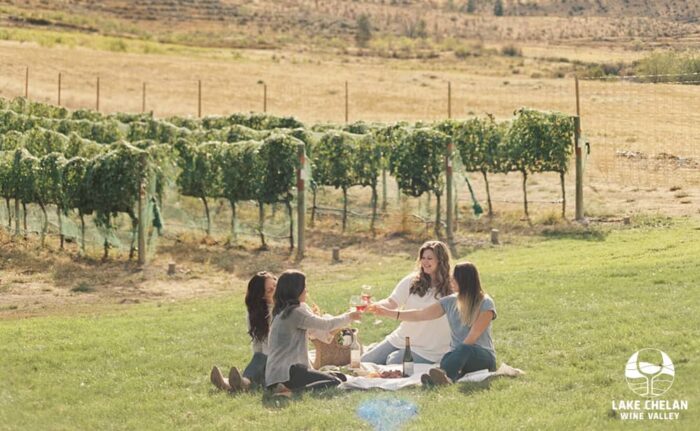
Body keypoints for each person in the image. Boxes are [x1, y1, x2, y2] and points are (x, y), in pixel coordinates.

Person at [368, 262, 497, 385]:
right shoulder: (449, 301)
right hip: (456, 357)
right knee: (451, 355)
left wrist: (454, 357)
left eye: (454, 279)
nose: (451, 281)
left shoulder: (485, 303)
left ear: (463, 281)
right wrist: (388, 312)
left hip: (482, 357)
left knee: (463, 349)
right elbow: (421, 314)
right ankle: (442, 377)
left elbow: (473, 336)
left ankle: (445, 377)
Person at [265, 270, 362, 395]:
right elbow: (327, 325)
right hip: (286, 373)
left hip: (282, 372)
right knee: (335, 382)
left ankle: (287, 388)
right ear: (296, 290)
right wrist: (350, 316)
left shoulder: (285, 310)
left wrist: (318, 318)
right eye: (304, 287)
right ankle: (289, 392)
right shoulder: (295, 312)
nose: (306, 291)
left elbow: (316, 332)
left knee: (340, 376)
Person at [360, 240, 452, 365]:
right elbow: (392, 302)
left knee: (393, 361)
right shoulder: (412, 280)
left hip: (430, 348)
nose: (425, 262)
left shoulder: (451, 287)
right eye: (423, 258)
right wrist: (376, 306)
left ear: (441, 260)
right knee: (364, 362)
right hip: (402, 338)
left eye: (430, 258)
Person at [210, 271, 276, 393]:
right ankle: (237, 382)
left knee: (261, 361)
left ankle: (237, 383)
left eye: (275, 285)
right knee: (259, 358)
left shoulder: (284, 309)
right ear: (262, 295)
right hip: (265, 357)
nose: (276, 290)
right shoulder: (256, 314)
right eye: (270, 290)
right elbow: (258, 344)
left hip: (279, 357)